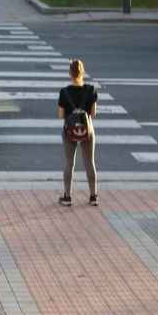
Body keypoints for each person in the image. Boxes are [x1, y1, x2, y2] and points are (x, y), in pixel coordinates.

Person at [57, 59, 98, 207]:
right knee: (89, 162)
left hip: (69, 130)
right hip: (87, 130)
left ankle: (67, 197)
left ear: (70, 73)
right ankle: (93, 196)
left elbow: (61, 115)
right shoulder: (91, 90)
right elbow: (93, 113)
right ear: (83, 73)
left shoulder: (64, 92)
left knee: (69, 162)